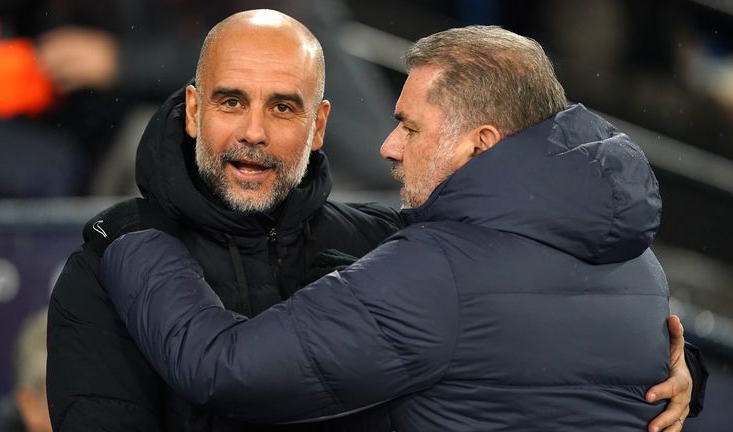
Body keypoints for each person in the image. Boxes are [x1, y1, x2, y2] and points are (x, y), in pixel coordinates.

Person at [47, 10, 703, 432]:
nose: (387, 145)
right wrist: (679, 369)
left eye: (282, 106)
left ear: (318, 124)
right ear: (192, 111)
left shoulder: (415, 259)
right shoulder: (635, 268)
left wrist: (131, 242)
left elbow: (224, 370)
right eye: (230, 101)